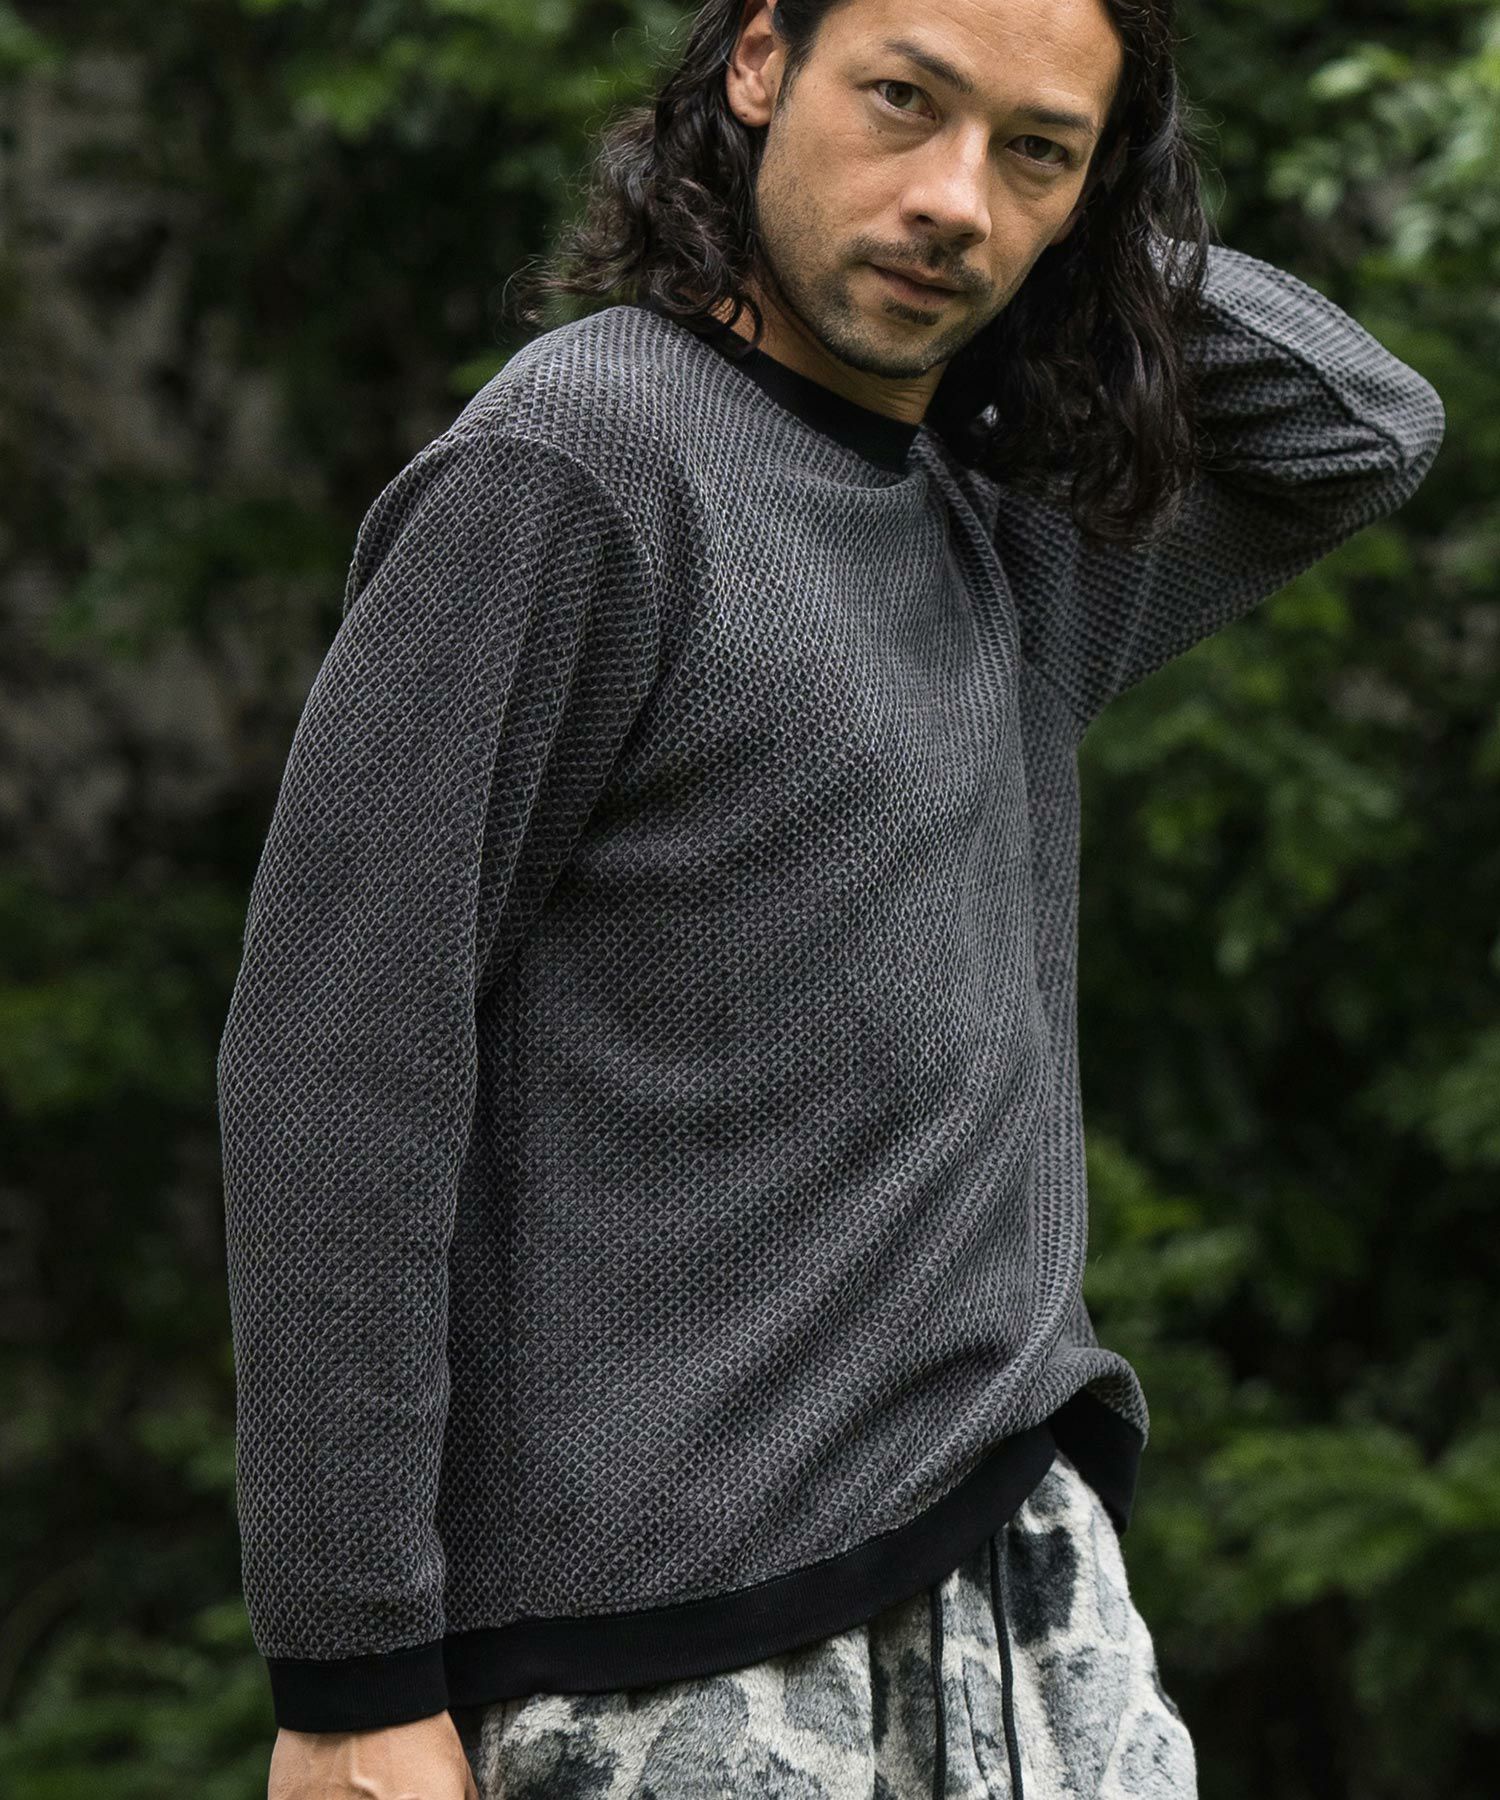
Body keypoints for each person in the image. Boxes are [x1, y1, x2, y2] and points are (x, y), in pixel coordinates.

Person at [216, 0, 1445, 1795]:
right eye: (903, 99)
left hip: (1026, 1593)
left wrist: (1076, 248)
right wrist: (350, 1676)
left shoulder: (999, 526)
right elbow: (337, 1071)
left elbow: (1358, 428)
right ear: (759, 61)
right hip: (663, 1653)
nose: (953, 197)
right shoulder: (577, 464)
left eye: (1035, 150)